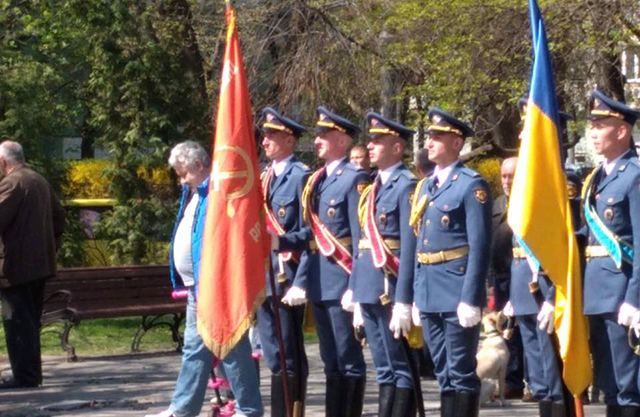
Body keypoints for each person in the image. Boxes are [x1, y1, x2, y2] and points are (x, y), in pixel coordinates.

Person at [146, 141, 262, 417]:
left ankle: (249, 409)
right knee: (194, 350)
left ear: (199, 165)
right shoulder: (192, 192)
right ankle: (182, 409)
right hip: (197, 287)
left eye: (183, 173)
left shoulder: (219, 193)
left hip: (218, 285)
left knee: (232, 348)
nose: (181, 179)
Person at [277, 106, 369, 417]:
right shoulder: (317, 180)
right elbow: (309, 235)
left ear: (342, 141)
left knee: (348, 359)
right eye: (316, 134)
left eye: (324, 135)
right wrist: (278, 242)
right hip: (319, 280)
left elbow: (360, 240)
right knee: (330, 361)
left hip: (341, 280)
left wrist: (356, 286)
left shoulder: (355, 179)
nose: (317, 140)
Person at [407, 108, 492, 417]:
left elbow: (480, 245)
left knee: (461, 373)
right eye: (429, 136)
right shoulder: (427, 186)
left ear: (456, 143)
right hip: (429, 289)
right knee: (443, 373)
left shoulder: (471, 185)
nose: (429, 143)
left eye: (437, 137)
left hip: (456, 290)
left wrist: (471, 298)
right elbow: (419, 244)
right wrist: (415, 294)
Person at [350, 112, 417, 417]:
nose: (371, 146)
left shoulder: (406, 185)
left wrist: (404, 299)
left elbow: (409, 244)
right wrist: (354, 288)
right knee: (383, 368)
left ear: (397, 148)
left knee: (399, 366)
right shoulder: (371, 185)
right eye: (371, 140)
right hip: (368, 284)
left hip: (389, 288)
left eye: (379, 141)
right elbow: (360, 242)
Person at [580, 90, 640, 417]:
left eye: (601, 124)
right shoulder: (596, 178)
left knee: (629, 386)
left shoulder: (634, 175)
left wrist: (635, 299)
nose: (593, 131)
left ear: (621, 131)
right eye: (592, 124)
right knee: (609, 384)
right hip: (597, 294)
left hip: (622, 295)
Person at [257, 107, 310, 417]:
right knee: (273, 352)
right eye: (265, 136)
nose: (265, 142)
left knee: (289, 352)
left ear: (289, 140)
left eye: (272, 136)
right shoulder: (264, 178)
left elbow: (308, 233)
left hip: (286, 275)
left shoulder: (300, 177)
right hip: (264, 276)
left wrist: (301, 280)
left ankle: (292, 412)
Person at [0, 139, 65, 389]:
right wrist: (48, 249)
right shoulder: (39, 180)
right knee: (29, 321)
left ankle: (24, 376)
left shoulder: (12, 183)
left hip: (15, 269)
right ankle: (30, 374)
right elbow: (59, 219)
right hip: (39, 267)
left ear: (4, 161)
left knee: (16, 322)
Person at [488, 157, 526, 400]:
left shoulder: (528, 202)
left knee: (525, 328)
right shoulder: (497, 204)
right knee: (506, 330)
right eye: (503, 176)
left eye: (511, 176)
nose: (506, 181)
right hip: (501, 275)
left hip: (523, 274)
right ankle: (512, 381)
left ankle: (532, 380)